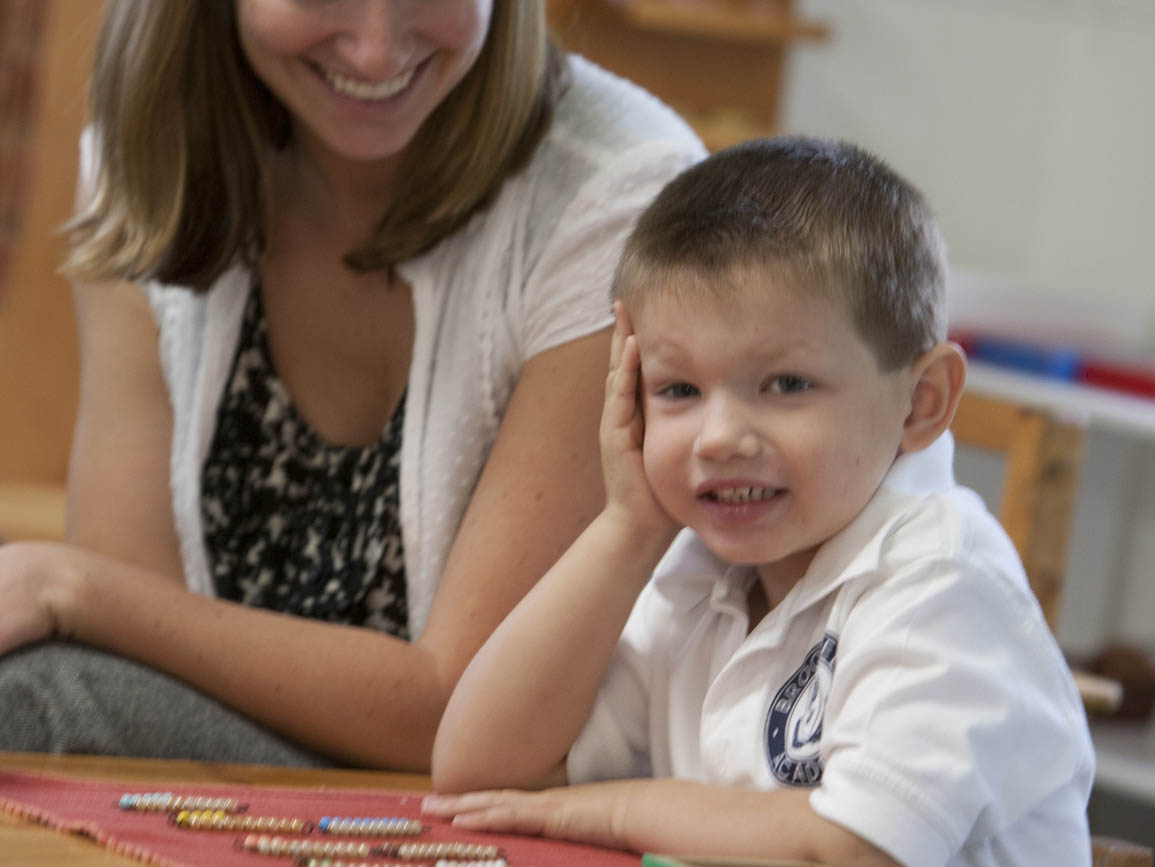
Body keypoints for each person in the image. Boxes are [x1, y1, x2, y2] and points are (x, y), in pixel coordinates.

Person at [0, 0, 705, 769]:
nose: (375, 52)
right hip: (230, 773)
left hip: (494, 789)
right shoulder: (148, 153)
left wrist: (61, 584)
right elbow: (130, 652)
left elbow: (460, 715)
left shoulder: (624, 190)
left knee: (34, 694)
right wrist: (78, 596)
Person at [425, 137, 1096, 865]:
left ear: (920, 402)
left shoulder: (943, 580)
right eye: (677, 389)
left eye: (785, 384)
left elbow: (848, 850)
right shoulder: (694, 574)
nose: (717, 438)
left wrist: (618, 808)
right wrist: (626, 528)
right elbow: (479, 769)